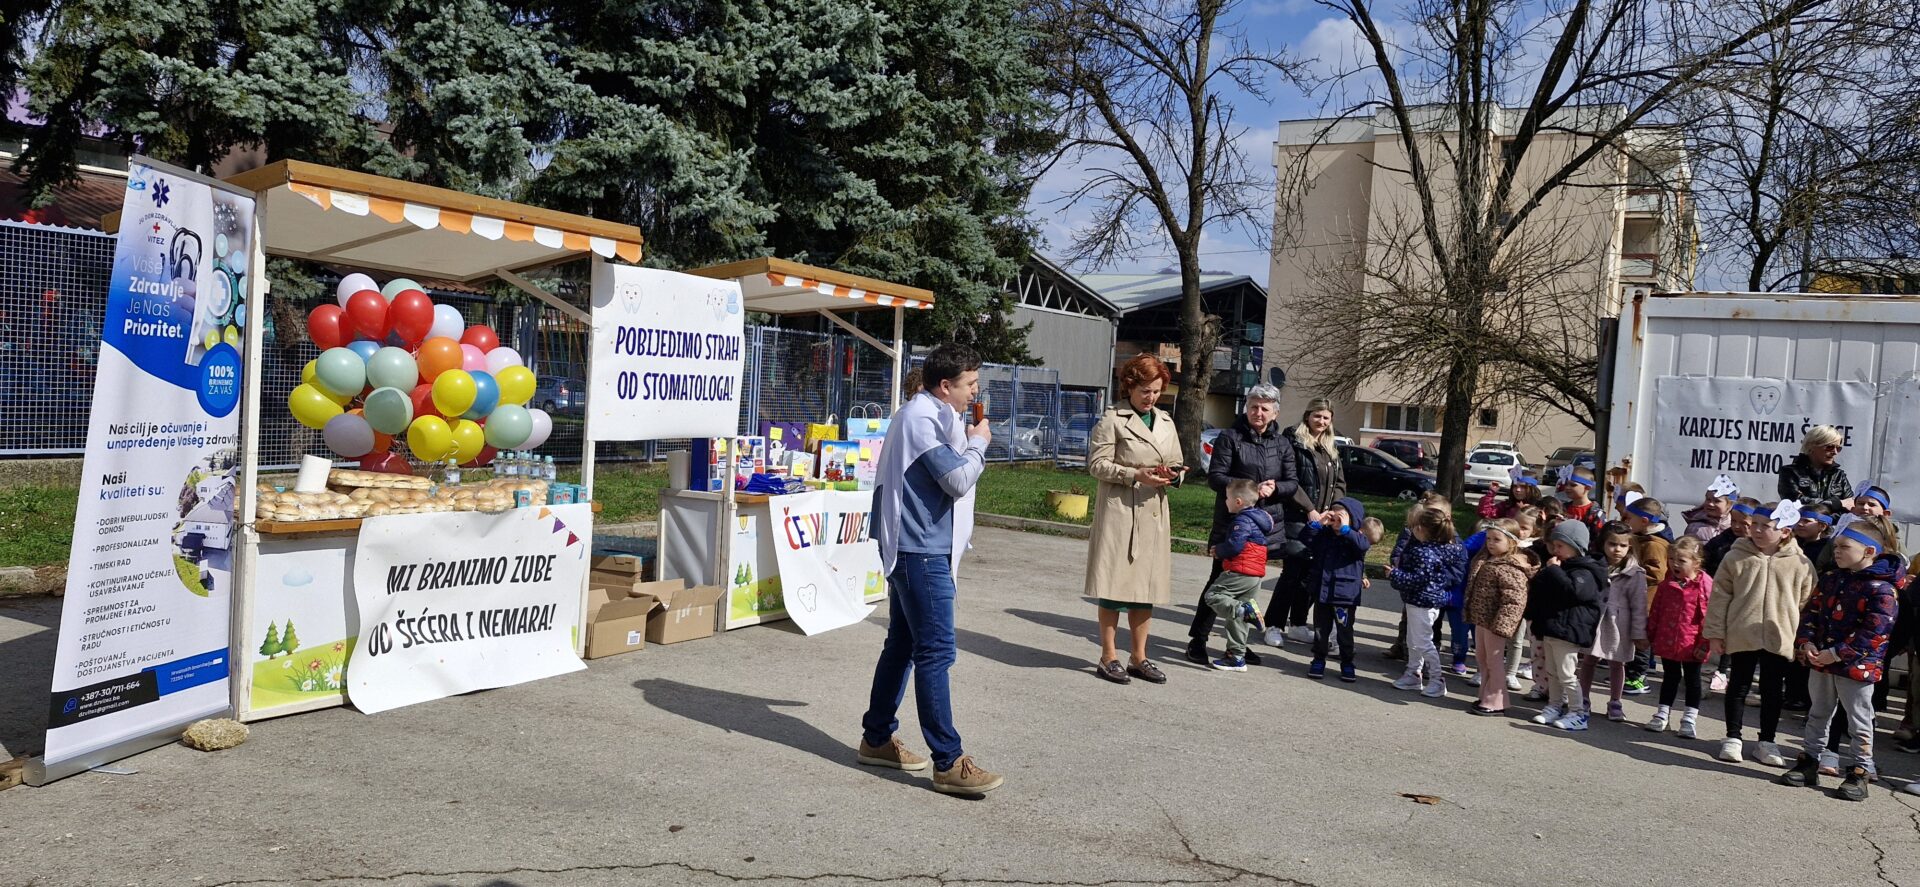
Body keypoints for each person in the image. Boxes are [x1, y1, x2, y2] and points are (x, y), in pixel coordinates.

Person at [859, 343, 1002, 794]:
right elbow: (958, 480)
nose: (975, 392)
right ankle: (949, 761)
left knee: (902, 645)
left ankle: (876, 738)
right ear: (945, 385)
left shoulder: (934, 414)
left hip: (919, 548)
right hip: (920, 552)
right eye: (969, 384)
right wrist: (980, 444)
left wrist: (968, 438)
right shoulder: (921, 419)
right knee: (936, 652)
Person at [1778, 521, 1899, 801]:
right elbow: (1811, 612)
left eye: (1845, 547)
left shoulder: (1882, 589)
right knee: (1818, 712)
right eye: (1836, 547)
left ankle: (1859, 771)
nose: (1837, 551)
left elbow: (1874, 632)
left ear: (1869, 551)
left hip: (1857, 667)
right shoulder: (1831, 579)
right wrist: (1806, 642)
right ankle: (1809, 761)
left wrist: (1836, 653)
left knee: (1859, 720)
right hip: (1822, 660)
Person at [1084, 354, 1184, 685]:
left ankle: (1139, 657)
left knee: (1146, 588)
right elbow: (1097, 465)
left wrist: (1174, 475)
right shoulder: (1112, 419)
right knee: (1114, 586)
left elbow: (1177, 462)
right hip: (1121, 512)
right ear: (1129, 387)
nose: (1151, 397)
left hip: (1153, 512)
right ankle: (1108, 656)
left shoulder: (1166, 422)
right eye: (1145, 391)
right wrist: (1134, 474)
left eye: (1156, 391)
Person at [1185, 385, 1298, 665]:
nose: (1258, 413)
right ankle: (1198, 640)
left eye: (1264, 408)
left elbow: (1292, 483)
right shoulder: (1230, 437)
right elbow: (1216, 477)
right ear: (1246, 408)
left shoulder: (1282, 444)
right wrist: (1250, 489)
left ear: (1275, 413)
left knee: (1248, 591)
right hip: (1232, 524)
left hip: (1263, 527)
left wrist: (1276, 487)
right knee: (1218, 584)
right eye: (1253, 407)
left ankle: (1237, 646)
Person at [1703, 500, 1817, 768]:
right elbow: (1719, 597)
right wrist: (1716, 633)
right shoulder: (1735, 556)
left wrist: (1801, 638)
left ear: (1785, 531)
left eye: (1766, 526)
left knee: (1772, 689)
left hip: (1780, 636)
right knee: (1738, 685)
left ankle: (1767, 741)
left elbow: (1807, 602)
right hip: (1743, 633)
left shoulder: (1800, 563)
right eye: (1754, 524)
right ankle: (1733, 737)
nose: (1756, 530)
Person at [1263, 399, 1347, 645]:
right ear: (1307, 415)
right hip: (1297, 518)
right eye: (1317, 416)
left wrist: (1333, 510)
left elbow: (1339, 483)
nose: (1321, 421)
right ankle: (1274, 625)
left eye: (1326, 417)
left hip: (1323, 522)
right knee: (1291, 574)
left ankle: (1298, 624)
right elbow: (1290, 481)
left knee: (1309, 576)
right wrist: (1309, 509)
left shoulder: (1330, 446)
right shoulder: (1293, 441)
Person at [1527, 520, 1606, 731]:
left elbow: (1573, 592)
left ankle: (1578, 713)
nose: (1555, 550)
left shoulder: (1585, 571)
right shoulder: (1563, 567)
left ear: (1575, 545)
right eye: (1554, 545)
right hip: (1553, 628)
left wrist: (1553, 571)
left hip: (1569, 631)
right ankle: (1554, 706)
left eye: (1560, 546)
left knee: (1566, 674)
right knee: (1552, 672)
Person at [1199, 480, 1276, 672]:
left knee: (1213, 596)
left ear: (1238, 501)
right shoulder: (1258, 519)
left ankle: (1244, 610)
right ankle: (1237, 657)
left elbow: (1235, 545)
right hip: (1254, 574)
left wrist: (1219, 550)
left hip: (1241, 570)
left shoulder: (1242, 521)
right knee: (1238, 620)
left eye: (1227, 498)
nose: (1225, 501)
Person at [1391, 507, 1468, 698]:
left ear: (1422, 529)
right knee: (1413, 640)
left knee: (1423, 642)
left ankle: (1437, 679)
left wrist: (1394, 575)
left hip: (1422, 602)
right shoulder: (1436, 549)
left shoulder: (1424, 553)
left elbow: (1417, 579)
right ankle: (1413, 673)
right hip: (1421, 601)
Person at [1302, 497, 1377, 681]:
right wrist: (1319, 523)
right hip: (1323, 593)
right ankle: (1318, 659)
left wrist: (1345, 529)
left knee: (1345, 632)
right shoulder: (1324, 535)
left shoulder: (1355, 537)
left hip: (1345, 596)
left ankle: (1347, 662)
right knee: (1321, 630)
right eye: (1334, 515)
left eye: (1341, 516)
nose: (1336, 520)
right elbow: (1305, 538)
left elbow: (1363, 546)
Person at [1464, 519, 1535, 715]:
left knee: (1494, 661)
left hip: (1496, 622)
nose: (1490, 543)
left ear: (1511, 542)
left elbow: (1514, 600)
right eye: (1488, 539)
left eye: (1497, 539)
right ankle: (1485, 694)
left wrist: (1503, 624)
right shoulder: (1486, 559)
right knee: (1482, 657)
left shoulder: (1512, 567)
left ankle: (1497, 700)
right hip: (1482, 618)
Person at [1580, 526, 1649, 723]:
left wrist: (1639, 633)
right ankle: (1583, 698)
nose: (1617, 549)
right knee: (1588, 660)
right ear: (1603, 544)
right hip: (1595, 622)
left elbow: (1639, 606)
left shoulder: (1635, 574)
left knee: (1617, 663)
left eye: (1622, 545)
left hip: (1619, 626)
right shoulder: (1593, 566)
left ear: (1630, 547)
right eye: (1612, 544)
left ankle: (1615, 702)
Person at [1647, 537, 1713, 738]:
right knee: (1670, 677)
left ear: (1696, 562)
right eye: (1672, 559)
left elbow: (1710, 617)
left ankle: (1689, 719)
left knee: (1692, 680)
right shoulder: (1667, 585)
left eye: (1681, 561)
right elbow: (1656, 611)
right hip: (1668, 640)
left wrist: (1705, 643)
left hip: (1692, 643)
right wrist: (1650, 634)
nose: (1675, 564)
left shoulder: (1705, 585)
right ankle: (1662, 714)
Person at [1621, 497, 1670, 695]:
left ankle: (1638, 677)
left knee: (1641, 640)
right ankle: (1628, 673)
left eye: (1629, 518)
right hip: (1636, 599)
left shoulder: (1654, 545)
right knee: (1632, 638)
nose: (1626, 521)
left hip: (1647, 602)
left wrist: (1630, 574)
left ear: (1643, 521)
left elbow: (1657, 574)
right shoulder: (1640, 538)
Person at [1778, 424, 1854, 514]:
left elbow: (1850, 506)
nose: (1835, 452)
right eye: (1829, 447)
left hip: (1834, 523)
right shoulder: (1790, 472)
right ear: (1812, 446)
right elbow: (1795, 503)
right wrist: (1837, 503)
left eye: (1838, 448)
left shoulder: (1839, 475)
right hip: (1803, 522)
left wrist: (1827, 518)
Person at [1682, 478, 1736, 542]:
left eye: (1717, 501)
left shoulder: (1736, 526)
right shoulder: (1694, 528)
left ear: (1729, 505)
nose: (1710, 504)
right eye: (1708, 499)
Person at [1478, 476, 1542, 520]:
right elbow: (1486, 514)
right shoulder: (1507, 506)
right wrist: (1491, 493)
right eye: (1515, 486)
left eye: (1523, 487)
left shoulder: (1540, 507)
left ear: (1532, 489)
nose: (1518, 490)